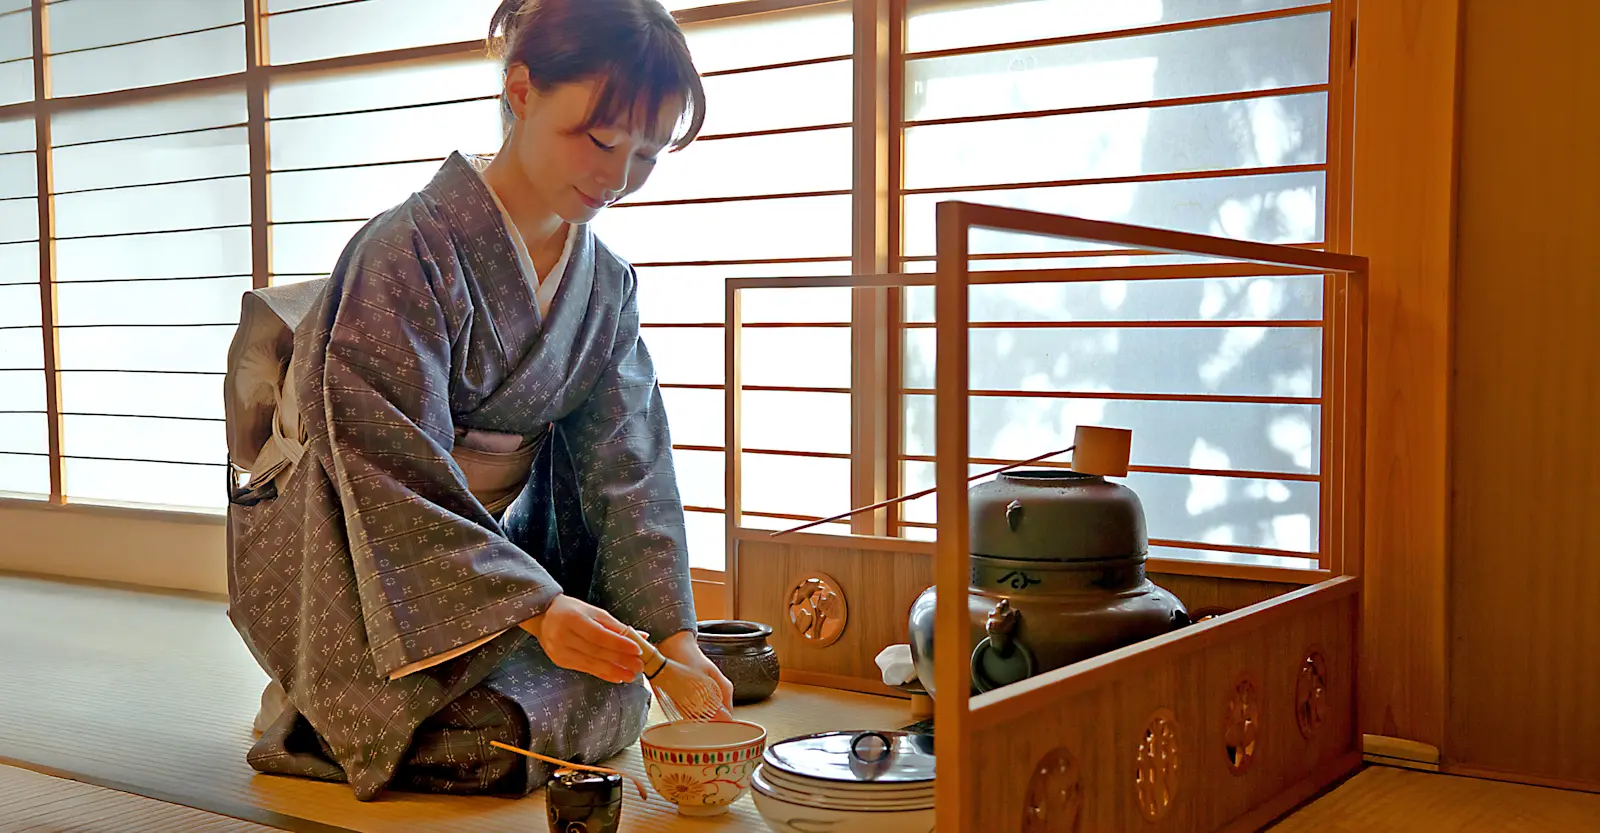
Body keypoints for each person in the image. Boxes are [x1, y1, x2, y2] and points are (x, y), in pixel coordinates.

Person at [222, 0, 732, 801]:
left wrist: (673, 640)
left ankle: (431, 693)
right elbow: (385, 465)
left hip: (488, 559)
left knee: (613, 684)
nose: (617, 177)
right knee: (491, 727)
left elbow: (630, 467)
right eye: (600, 141)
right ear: (521, 90)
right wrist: (536, 608)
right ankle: (312, 704)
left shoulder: (605, 286)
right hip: (352, 548)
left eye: (646, 154)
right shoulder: (403, 254)